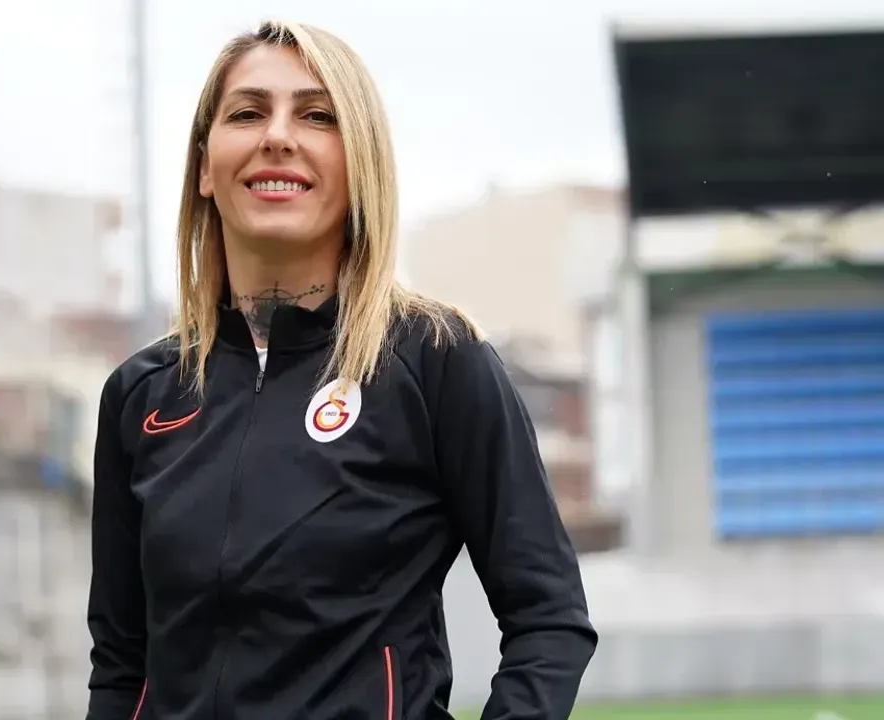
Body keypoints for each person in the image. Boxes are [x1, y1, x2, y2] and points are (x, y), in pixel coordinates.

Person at [87, 19, 596, 720]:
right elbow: (121, 664)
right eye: (247, 113)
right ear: (204, 167)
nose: (278, 136)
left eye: (317, 115)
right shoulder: (140, 395)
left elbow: (549, 618)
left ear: (360, 163)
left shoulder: (434, 361)